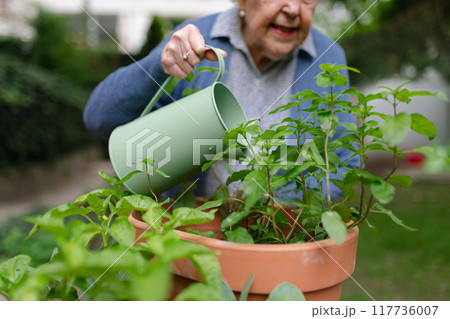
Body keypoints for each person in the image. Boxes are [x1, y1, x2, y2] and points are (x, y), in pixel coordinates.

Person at [83, 0, 359, 199]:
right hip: (190, 240)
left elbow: (343, 163)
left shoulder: (328, 57)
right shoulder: (194, 40)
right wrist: (160, 63)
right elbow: (101, 118)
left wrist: (285, 219)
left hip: (281, 245)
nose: (293, 8)